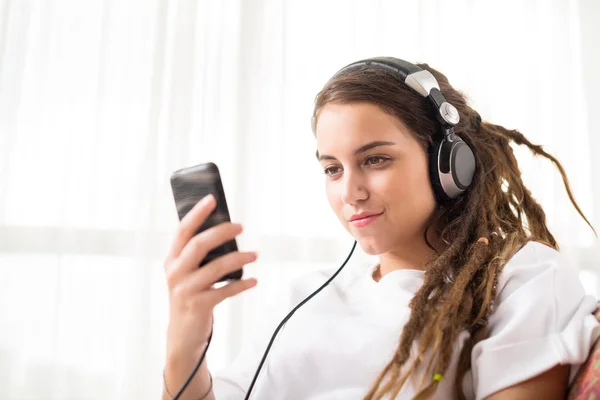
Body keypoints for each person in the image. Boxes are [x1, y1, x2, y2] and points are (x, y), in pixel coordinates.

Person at [161, 57, 600, 400]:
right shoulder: (304, 297)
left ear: (449, 164)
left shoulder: (522, 278)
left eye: (374, 160)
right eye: (332, 169)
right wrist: (186, 333)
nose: (349, 192)